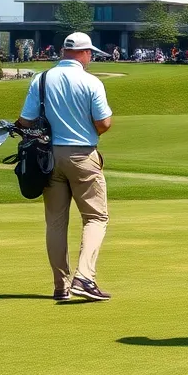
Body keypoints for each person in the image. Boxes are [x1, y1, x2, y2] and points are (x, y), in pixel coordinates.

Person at [14, 32, 114, 303]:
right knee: (95, 217)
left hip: (48, 157)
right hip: (82, 155)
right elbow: (104, 123)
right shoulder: (91, 81)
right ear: (83, 53)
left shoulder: (42, 78)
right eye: (90, 53)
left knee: (56, 222)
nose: (91, 57)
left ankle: (61, 286)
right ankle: (84, 277)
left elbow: (25, 119)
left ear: (63, 51)